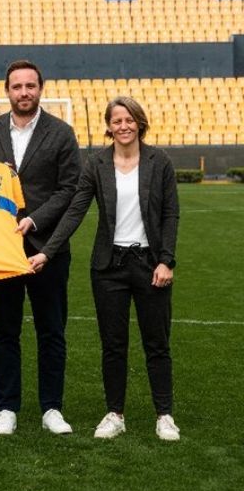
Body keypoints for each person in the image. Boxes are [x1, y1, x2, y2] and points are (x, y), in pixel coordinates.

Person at [29, 96, 180, 441]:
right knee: (113, 344)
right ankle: (115, 413)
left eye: (129, 120)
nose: (123, 126)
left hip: (149, 265)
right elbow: (74, 212)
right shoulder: (96, 164)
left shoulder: (160, 162)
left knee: (157, 343)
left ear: (139, 123)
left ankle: (164, 415)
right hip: (108, 268)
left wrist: (165, 260)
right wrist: (47, 252)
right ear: (108, 126)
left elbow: (171, 214)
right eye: (116, 121)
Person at [0, 59, 80, 436]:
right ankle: (7, 407)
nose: (24, 93)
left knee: (52, 331)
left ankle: (52, 407)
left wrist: (35, 220)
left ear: (40, 88)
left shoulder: (61, 133)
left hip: (47, 249)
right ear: (7, 90)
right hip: (1, 251)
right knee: (4, 331)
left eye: (30, 86)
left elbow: (69, 189)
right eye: (17, 86)